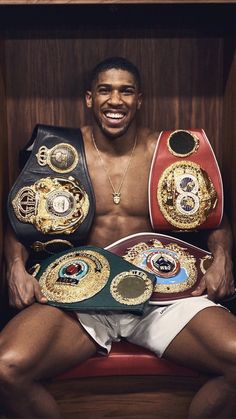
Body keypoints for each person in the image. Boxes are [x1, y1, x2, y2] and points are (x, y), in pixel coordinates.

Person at [0, 56, 235, 419]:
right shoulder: (59, 151)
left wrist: (223, 258)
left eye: (126, 91)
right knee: (6, 368)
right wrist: (15, 266)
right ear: (89, 98)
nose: (116, 100)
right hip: (79, 294)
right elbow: (19, 220)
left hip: (164, 293)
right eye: (105, 90)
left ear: (139, 99)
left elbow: (216, 219)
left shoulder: (171, 150)